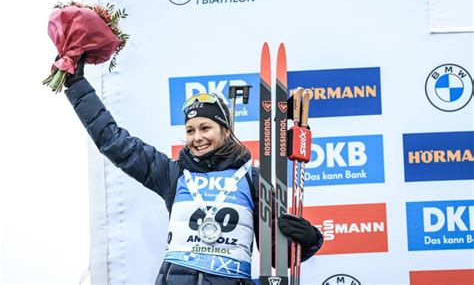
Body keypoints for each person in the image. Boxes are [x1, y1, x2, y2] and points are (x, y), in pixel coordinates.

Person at [61, 57, 323, 285]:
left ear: (226, 130)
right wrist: (76, 85)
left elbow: (276, 255)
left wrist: (309, 239)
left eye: (205, 128)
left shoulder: (253, 179)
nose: (197, 137)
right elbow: (114, 141)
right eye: (190, 130)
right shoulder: (173, 174)